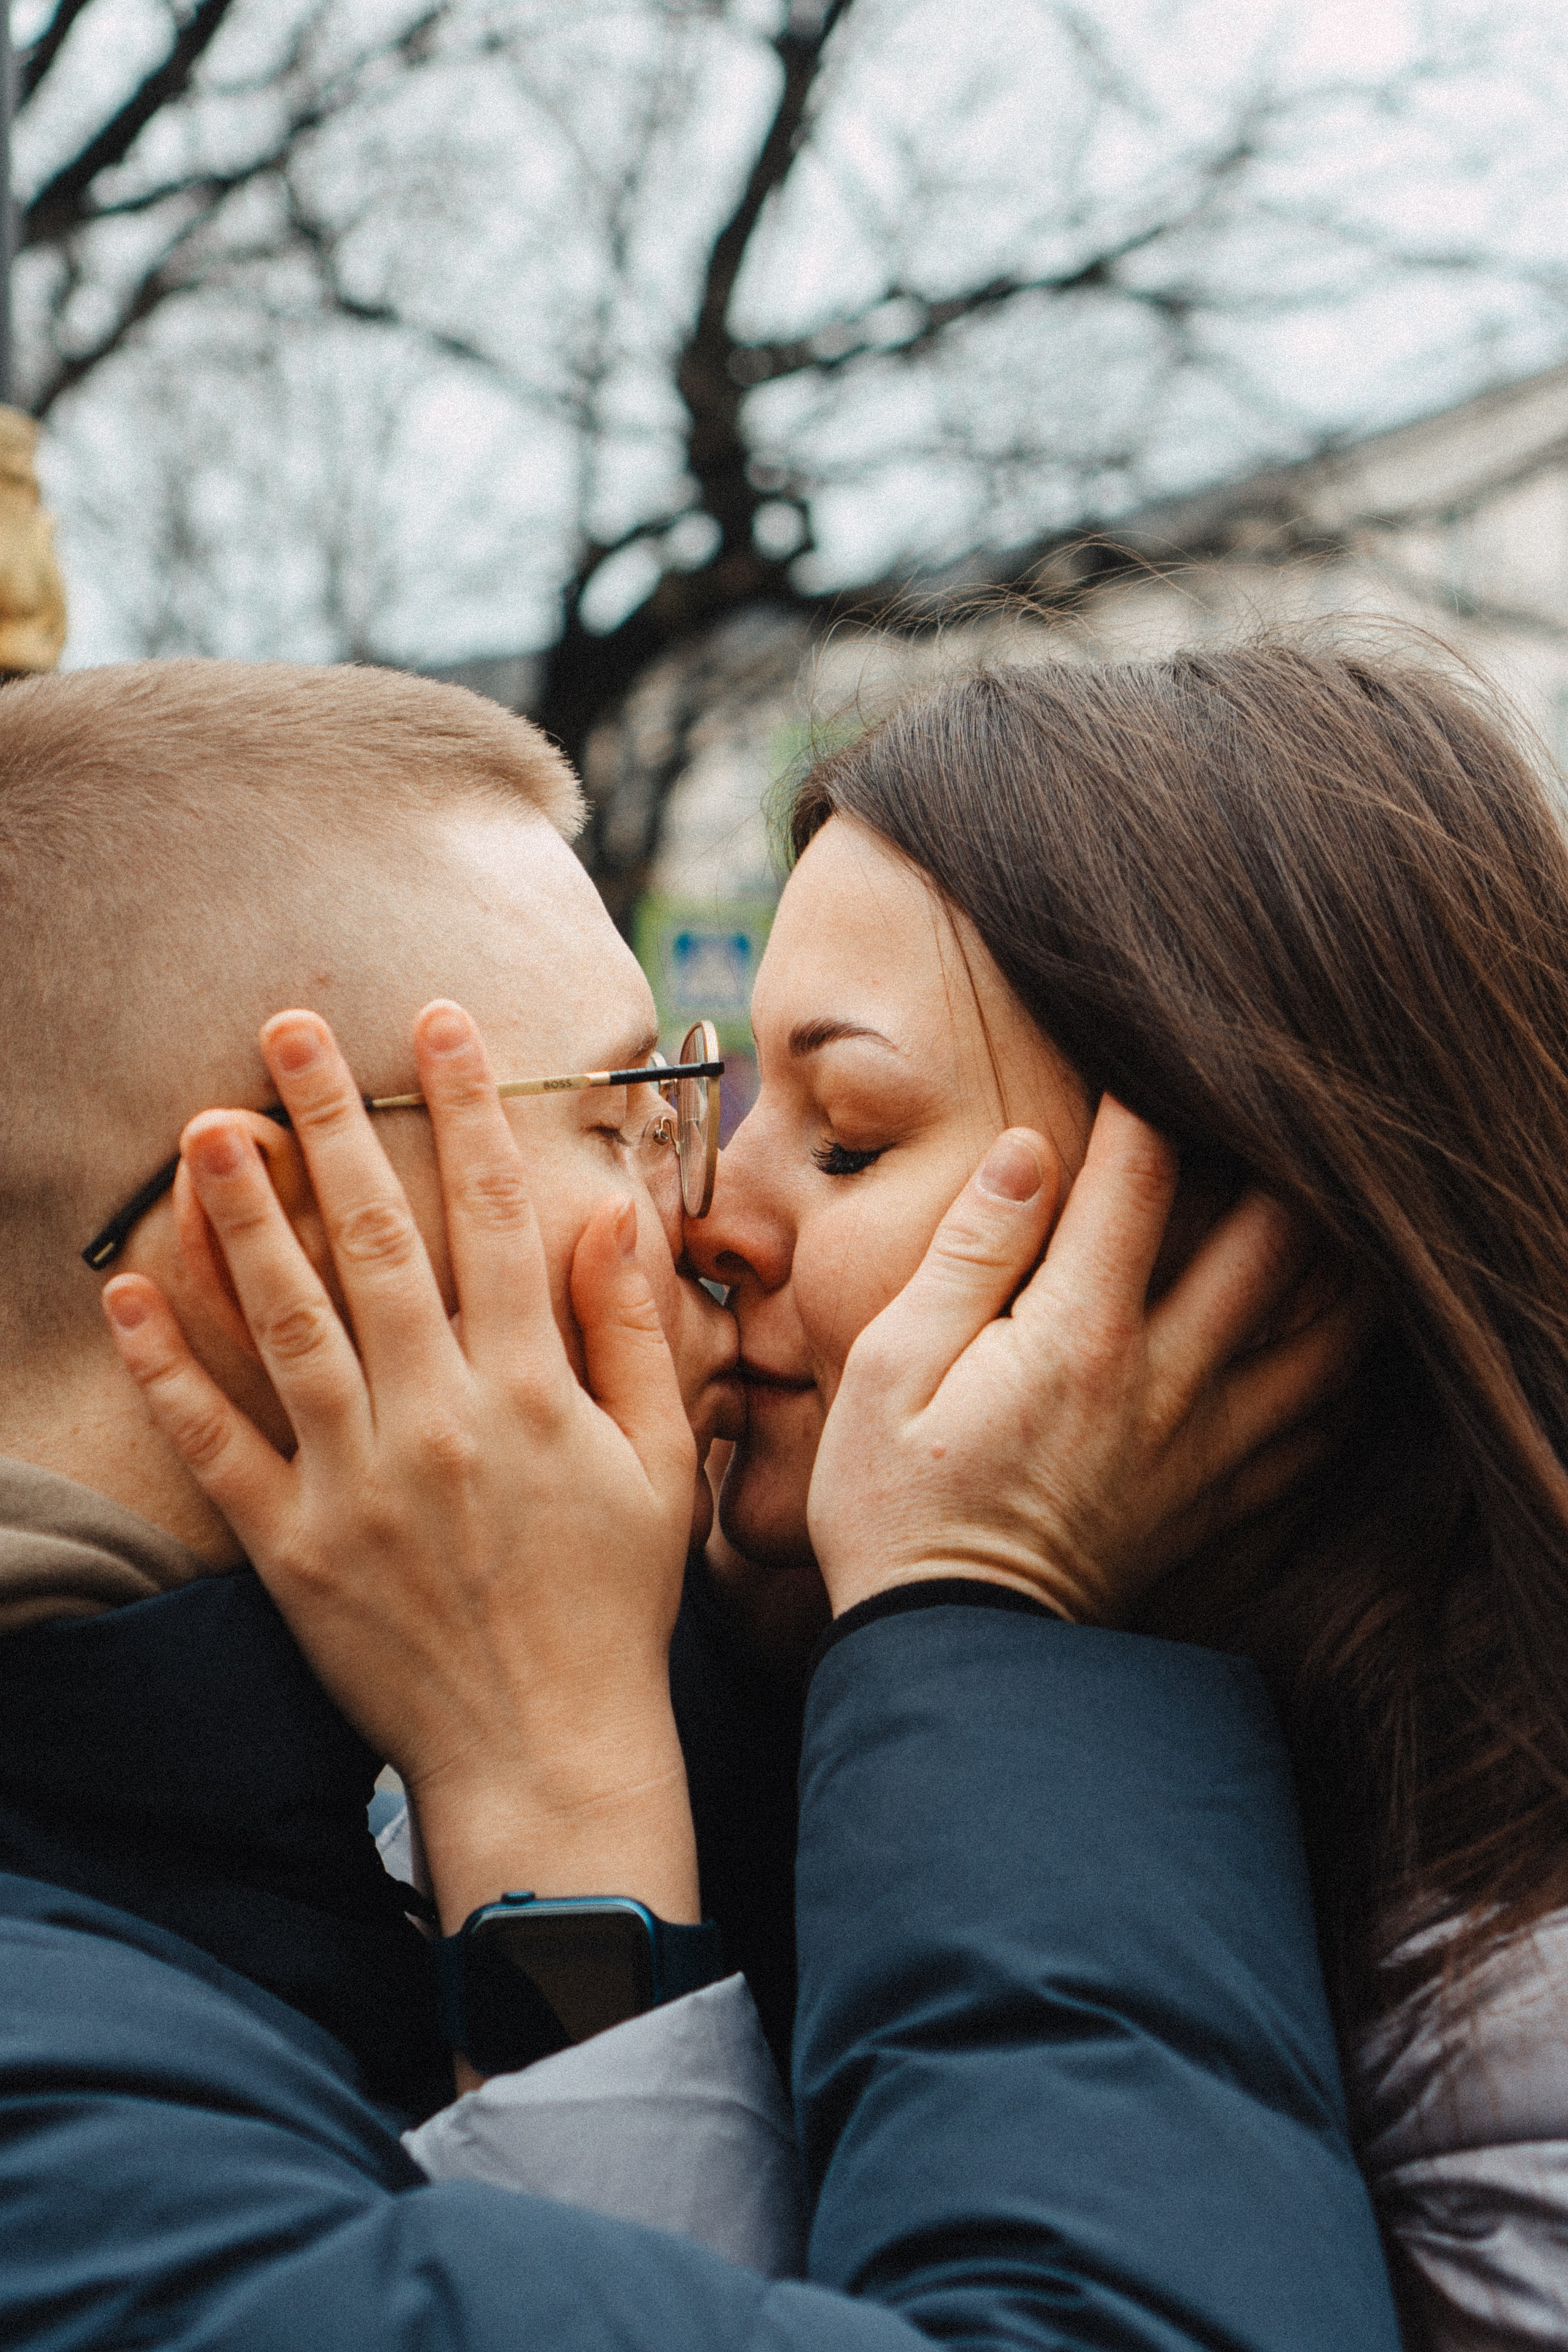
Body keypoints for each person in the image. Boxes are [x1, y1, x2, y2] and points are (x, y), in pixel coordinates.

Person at [0, 656, 1399, 2351]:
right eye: (622, 1117)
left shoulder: (641, 1691)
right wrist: (986, 1611)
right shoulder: (62, 2138)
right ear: (277, 1247)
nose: (708, 1210)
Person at [687, 641, 1568, 2351]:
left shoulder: (1516, 1992)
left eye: (850, 1136)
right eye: (729, 1101)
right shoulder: (752, 1677)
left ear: (1252, 1236)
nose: (714, 1217)